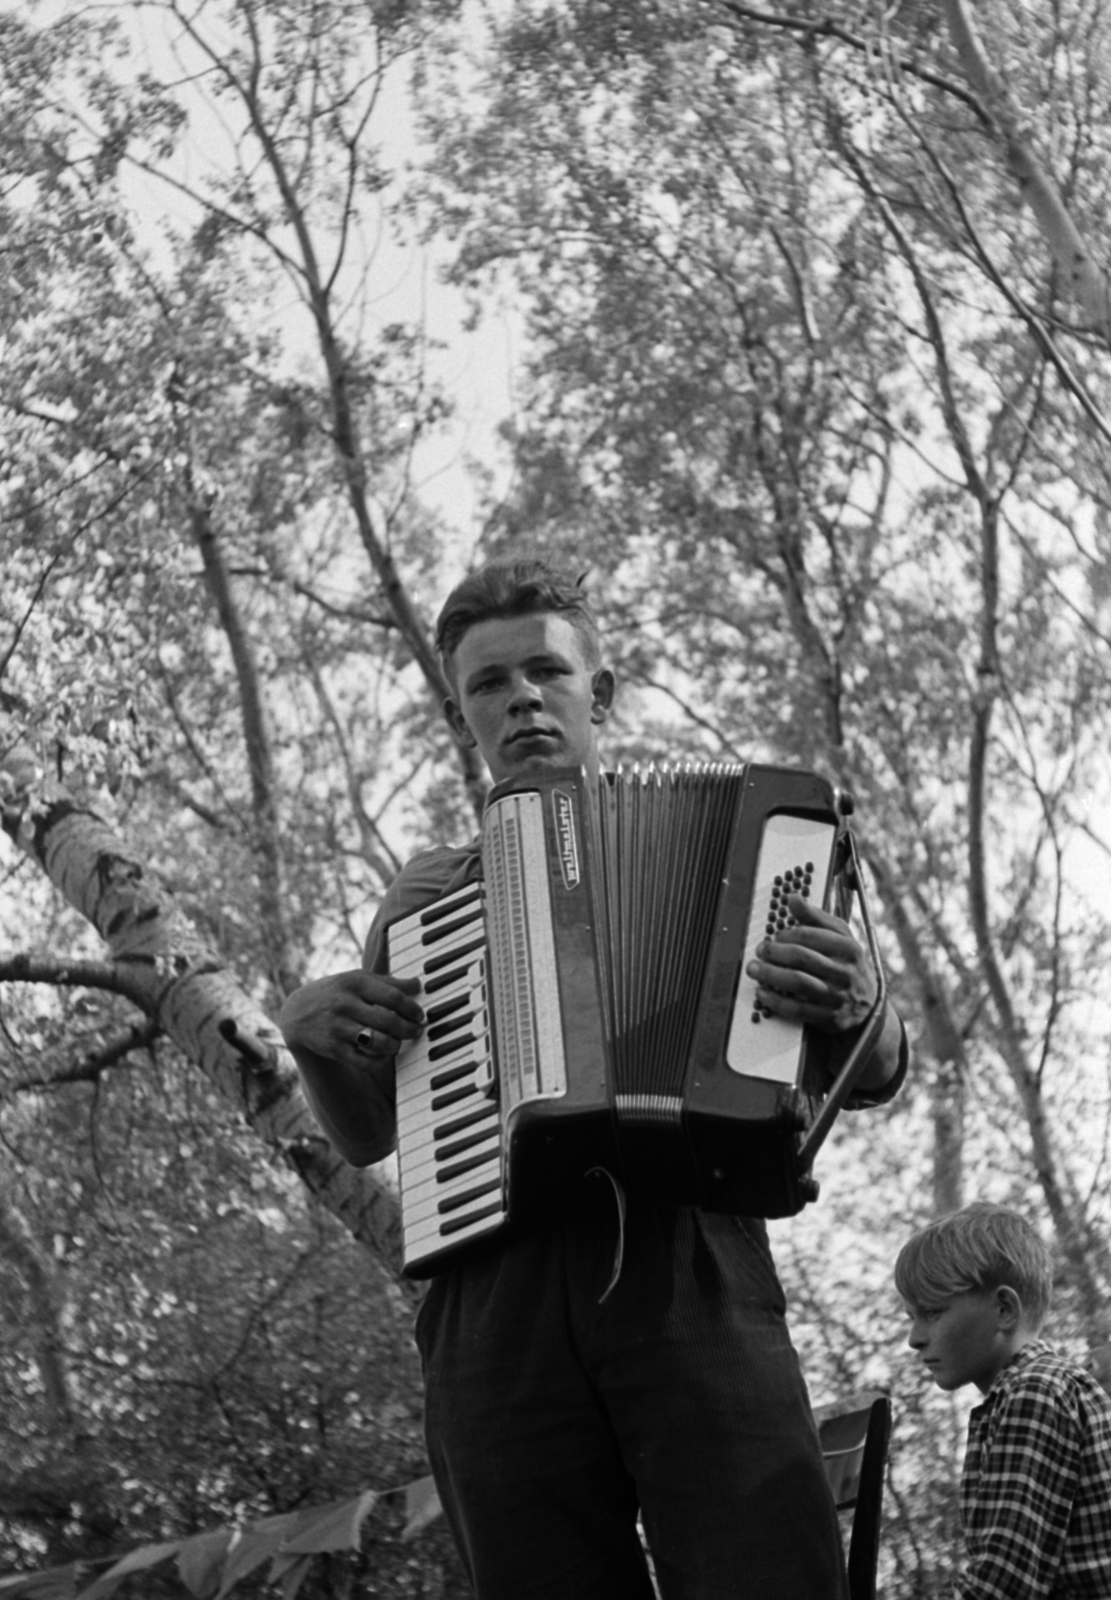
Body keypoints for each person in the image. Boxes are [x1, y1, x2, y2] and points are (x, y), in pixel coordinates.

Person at [280, 558, 908, 1600]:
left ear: (598, 693)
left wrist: (860, 1001)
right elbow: (369, 1131)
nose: (521, 697)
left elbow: (876, 1072)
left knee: (770, 1576)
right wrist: (308, 1040)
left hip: (690, 1255)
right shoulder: (421, 896)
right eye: (490, 683)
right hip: (492, 1293)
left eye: (545, 672)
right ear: (463, 710)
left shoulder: (750, 848)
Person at [896, 1202, 1111, 1598]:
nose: (915, 1338)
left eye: (932, 1312)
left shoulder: (1035, 1393)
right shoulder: (1033, 1392)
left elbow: (1004, 1584)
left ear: (1004, 1309)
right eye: (912, 1317)